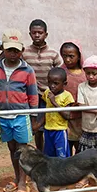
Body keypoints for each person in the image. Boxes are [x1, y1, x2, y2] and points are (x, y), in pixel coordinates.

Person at [0, 29, 38, 192]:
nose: (13, 54)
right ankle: (17, 178)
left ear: (22, 50)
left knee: (22, 148)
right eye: (9, 50)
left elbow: (32, 94)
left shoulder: (27, 70)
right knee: (11, 148)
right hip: (3, 116)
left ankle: (24, 182)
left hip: (21, 115)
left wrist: (33, 116)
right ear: (2, 49)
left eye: (16, 50)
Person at [23, 19, 62, 152]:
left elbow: (60, 74)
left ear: (46, 34)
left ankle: (50, 153)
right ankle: (40, 153)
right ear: (30, 34)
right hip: (31, 96)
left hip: (50, 95)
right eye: (34, 33)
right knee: (36, 128)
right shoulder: (24, 53)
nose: (37, 35)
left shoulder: (53, 54)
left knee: (50, 125)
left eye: (40, 32)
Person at [74, 55, 97, 188]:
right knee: (85, 155)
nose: (91, 76)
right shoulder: (82, 87)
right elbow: (81, 106)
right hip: (87, 127)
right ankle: (84, 178)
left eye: (94, 73)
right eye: (88, 73)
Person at [60, 40, 86, 154]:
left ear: (79, 56)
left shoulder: (85, 74)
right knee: (66, 146)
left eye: (71, 56)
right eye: (64, 56)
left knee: (79, 146)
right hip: (63, 116)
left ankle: (78, 170)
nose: (67, 60)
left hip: (80, 117)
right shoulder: (60, 72)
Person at [42, 67, 74, 158]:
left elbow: (67, 116)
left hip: (60, 131)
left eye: (56, 83)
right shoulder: (47, 93)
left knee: (61, 157)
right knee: (49, 157)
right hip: (48, 129)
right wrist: (38, 124)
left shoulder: (67, 96)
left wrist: (54, 102)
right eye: (49, 82)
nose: (52, 86)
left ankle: (63, 172)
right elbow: (46, 110)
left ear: (64, 84)